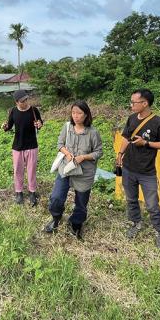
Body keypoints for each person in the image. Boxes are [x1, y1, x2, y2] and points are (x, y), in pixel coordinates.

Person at [116, 88, 160, 250]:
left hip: (147, 171)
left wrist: (146, 143)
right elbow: (126, 137)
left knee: (152, 205)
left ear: (145, 103)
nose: (131, 105)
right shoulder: (132, 118)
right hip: (128, 168)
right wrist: (120, 153)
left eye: (134, 102)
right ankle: (135, 223)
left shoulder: (159, 123)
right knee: (131, 199)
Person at [44, 100, 103, 239]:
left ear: (86, 115)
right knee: (56, 198)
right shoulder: (67, 127)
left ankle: (76, 224)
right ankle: (56, 218)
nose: (76, 116)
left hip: (85, 172)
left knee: (81, 203)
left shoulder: (93, 132)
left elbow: (99, 152)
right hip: (66, 168)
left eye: (79, 113)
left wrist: (84, 157)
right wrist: (67, 153)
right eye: (73, 112)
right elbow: (60, 143)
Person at [2, 89, 43, 206]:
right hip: (18, 146)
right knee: (18, 170)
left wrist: (39, 124)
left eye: (26, 100)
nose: (25, 102)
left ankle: (32, 192)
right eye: (22, 101)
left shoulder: (34, 110)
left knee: (31, 170)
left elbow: (40, 123)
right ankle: (19, 192)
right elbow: (9, 126)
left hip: (32, 145)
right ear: (16, 102)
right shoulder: (13, 111)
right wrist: (5, 127)